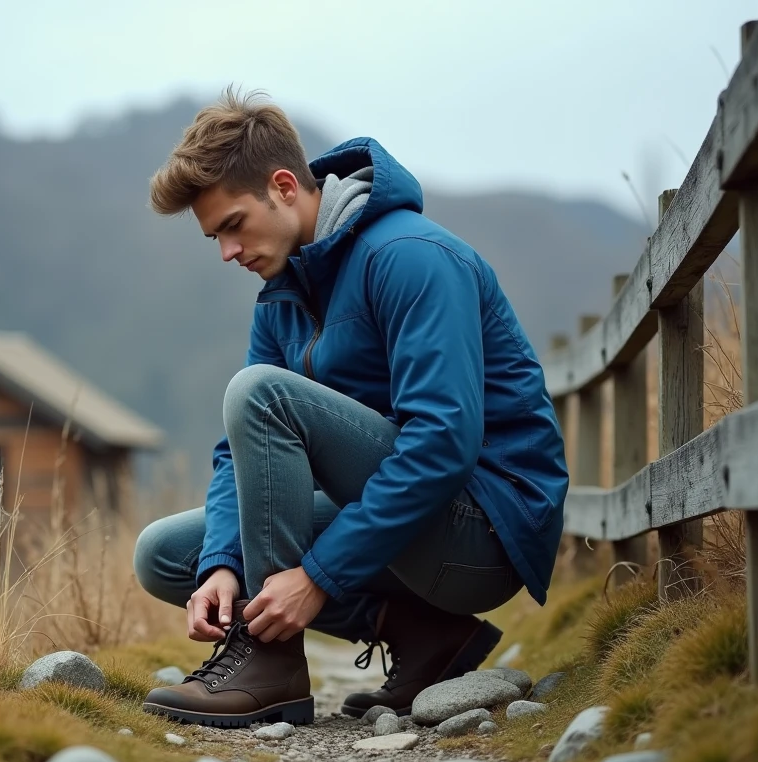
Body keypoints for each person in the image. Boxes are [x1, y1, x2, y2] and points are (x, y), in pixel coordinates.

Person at [133, 87, 569, 728]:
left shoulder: (412, 258)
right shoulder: (283, 292)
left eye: (233, 226)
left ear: (284, 185)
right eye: (214, 238)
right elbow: (237, 452)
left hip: (484, 530)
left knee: (260, 393)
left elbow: (443, 442)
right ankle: (423, 634)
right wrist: (225, 563)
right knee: (170, 554)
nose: (228, 252)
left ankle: (270, 663)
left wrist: (318, 577)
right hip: (411, 530)